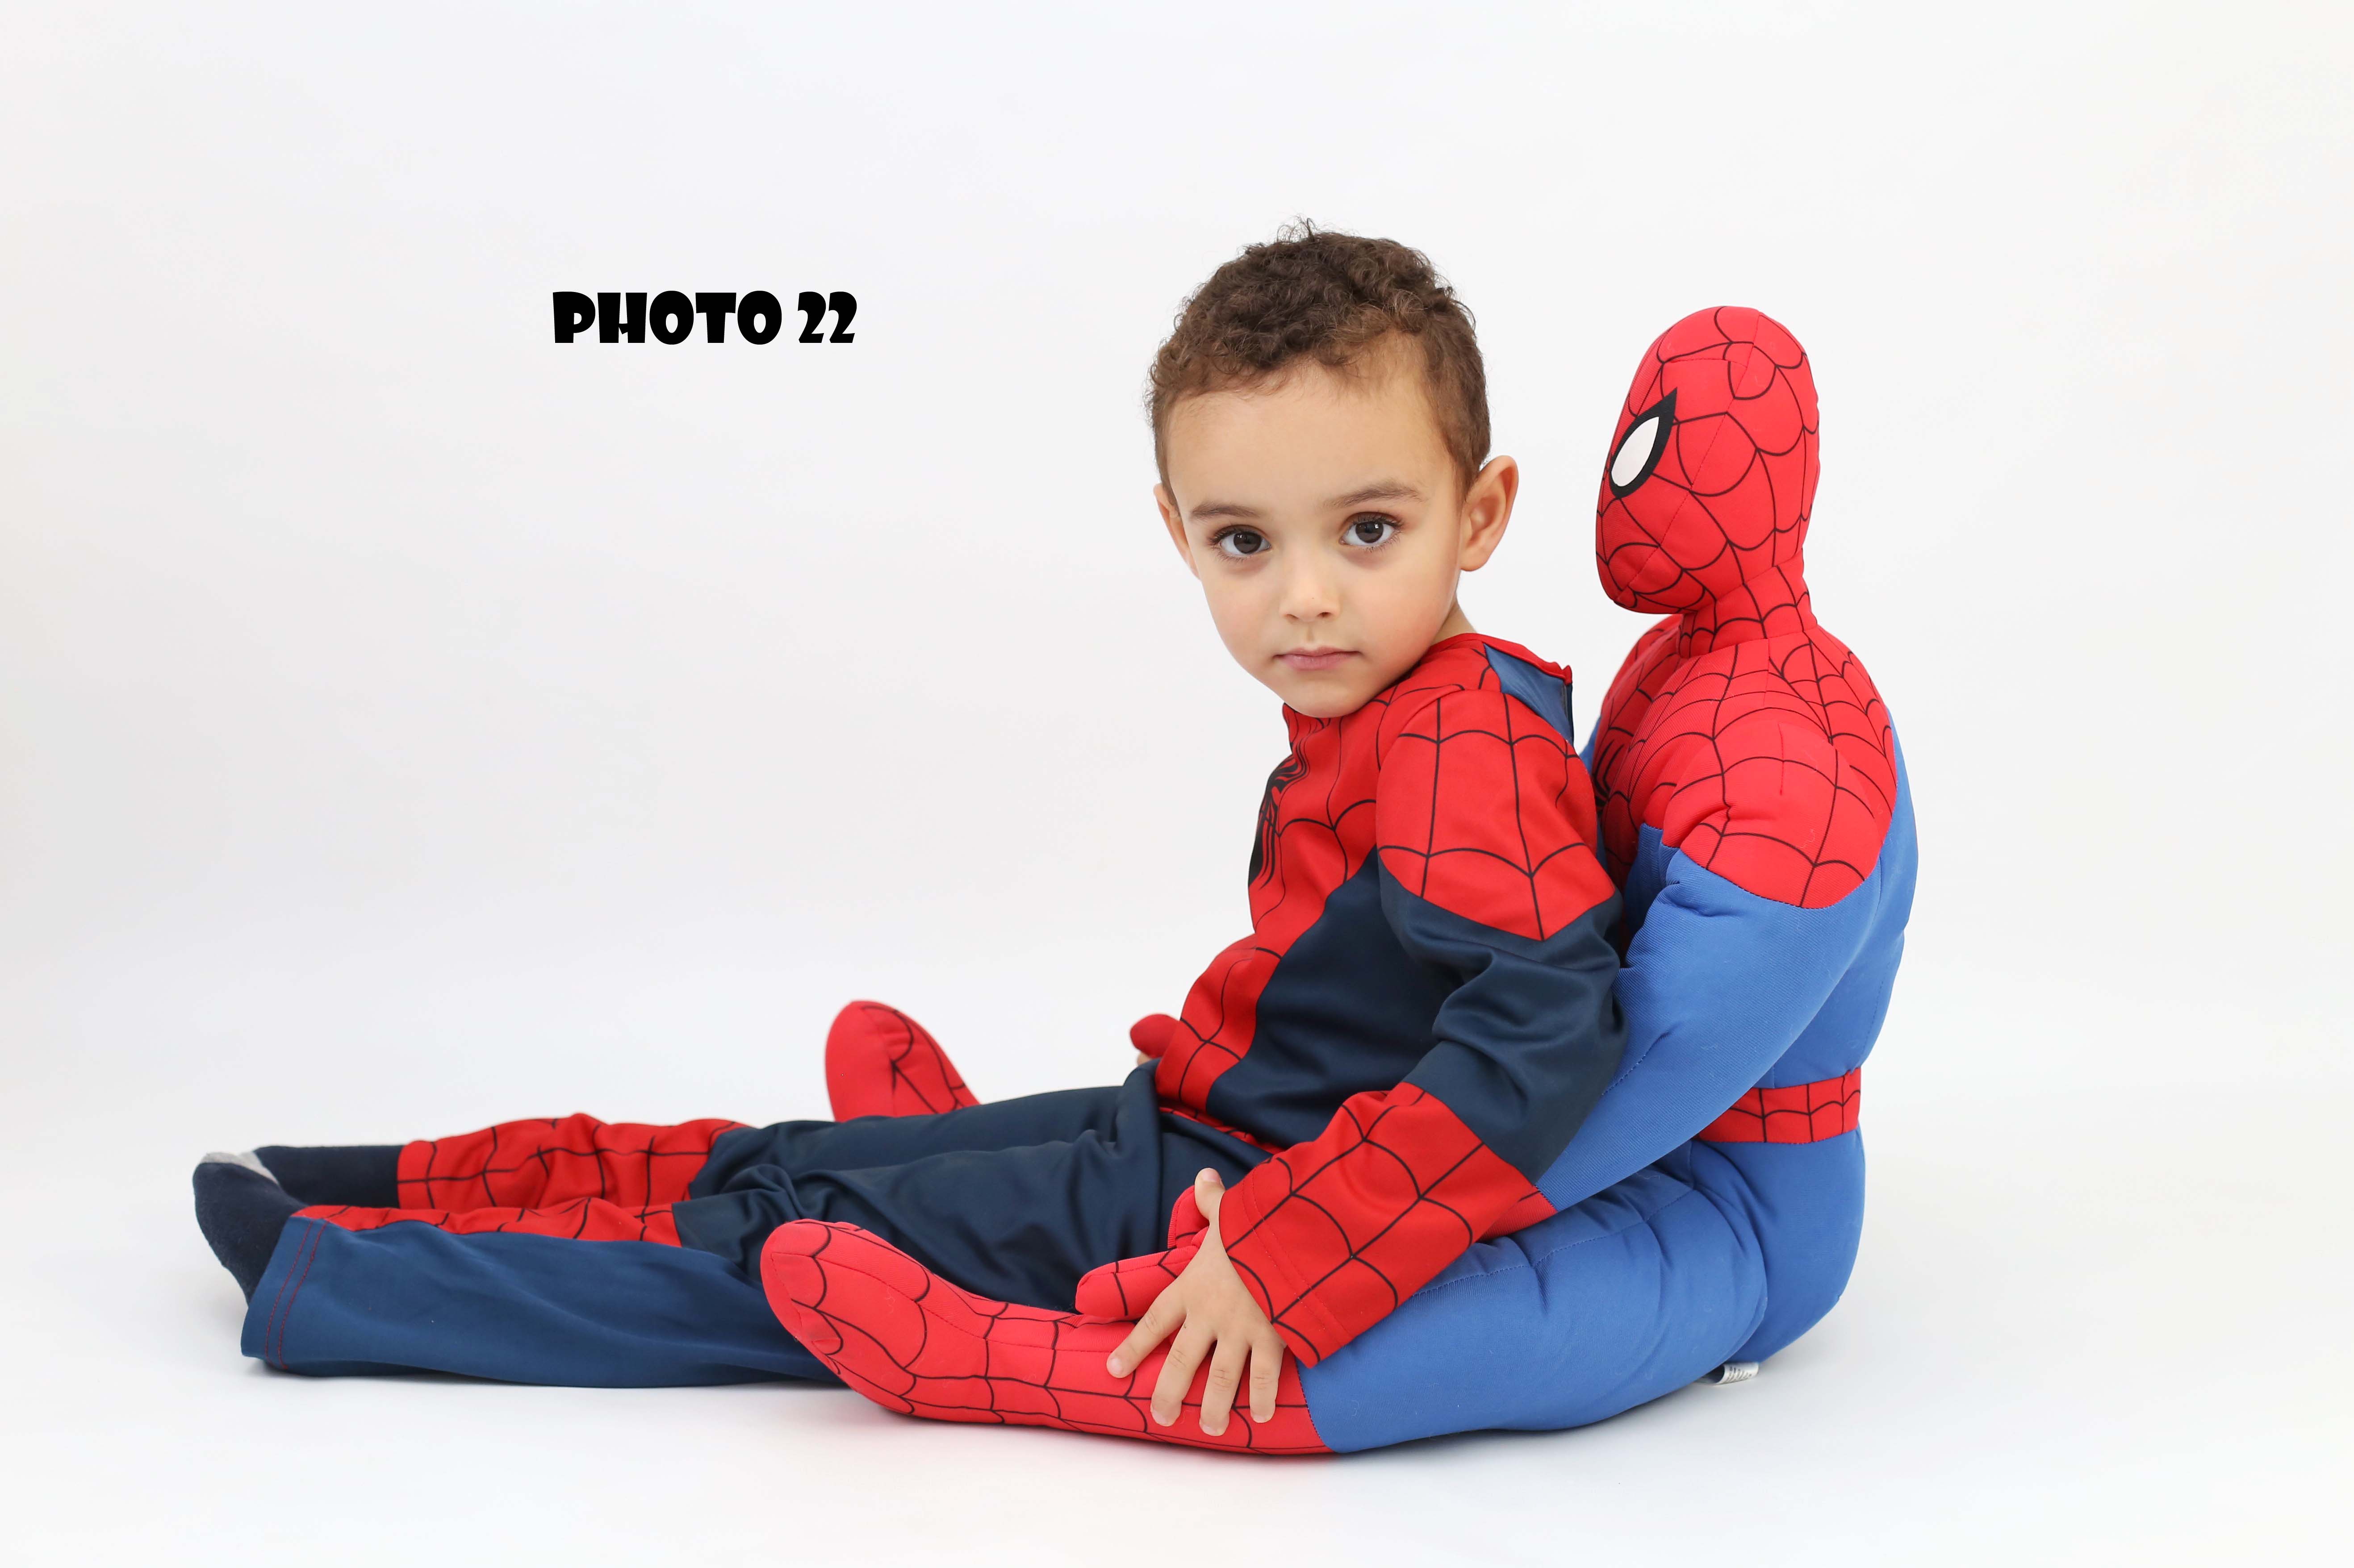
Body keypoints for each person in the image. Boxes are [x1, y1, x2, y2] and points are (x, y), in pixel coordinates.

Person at [195, 224, 1630, 1442]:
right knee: (801, 1157)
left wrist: (1280, 1256)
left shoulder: (1461, 742)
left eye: (1368, 530)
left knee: (798, 1237)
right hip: (1181, 1126)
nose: (1304, 596)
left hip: (1234, 1193)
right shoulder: (1393, 713)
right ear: (1178, 531)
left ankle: (350, 1281)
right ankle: (388, 1186)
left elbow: (1542, 1035)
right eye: (1244, 542)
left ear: (1480, 513)